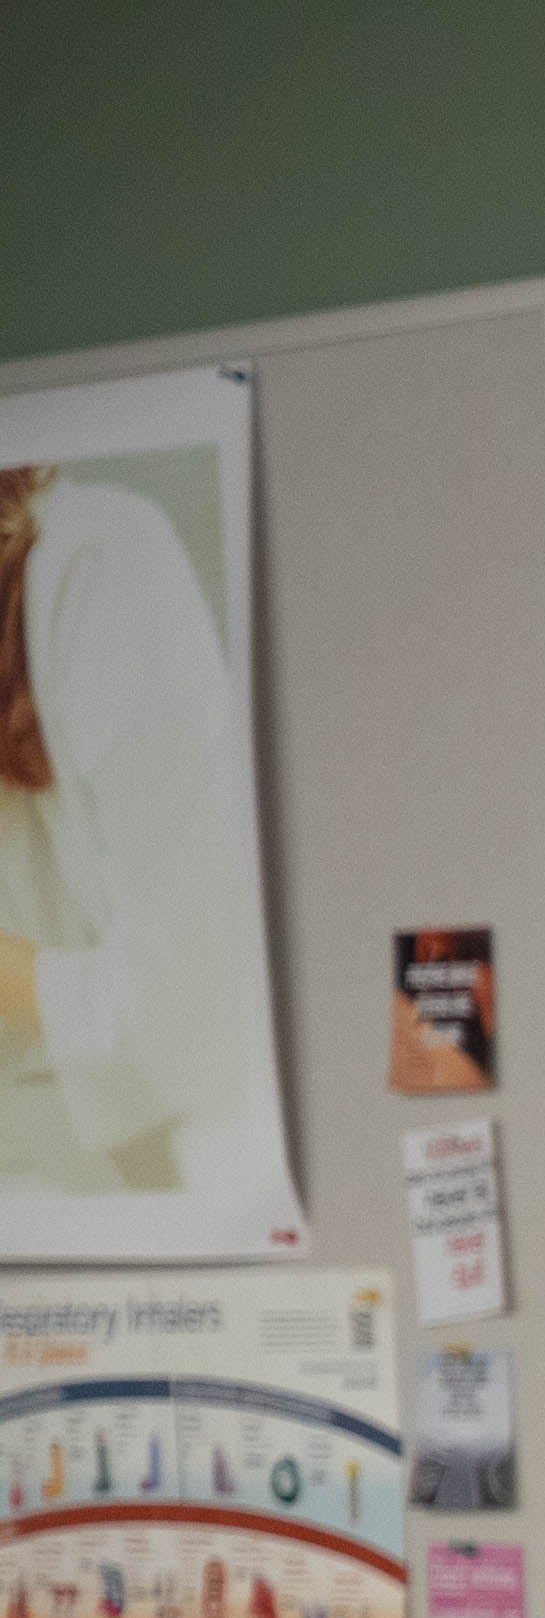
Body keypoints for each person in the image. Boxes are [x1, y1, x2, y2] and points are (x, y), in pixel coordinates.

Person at [0, 456, 291, 1229]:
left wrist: (17, 983)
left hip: (209, 1181)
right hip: (59, 1204)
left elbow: (190, 1010)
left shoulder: (98, 563)